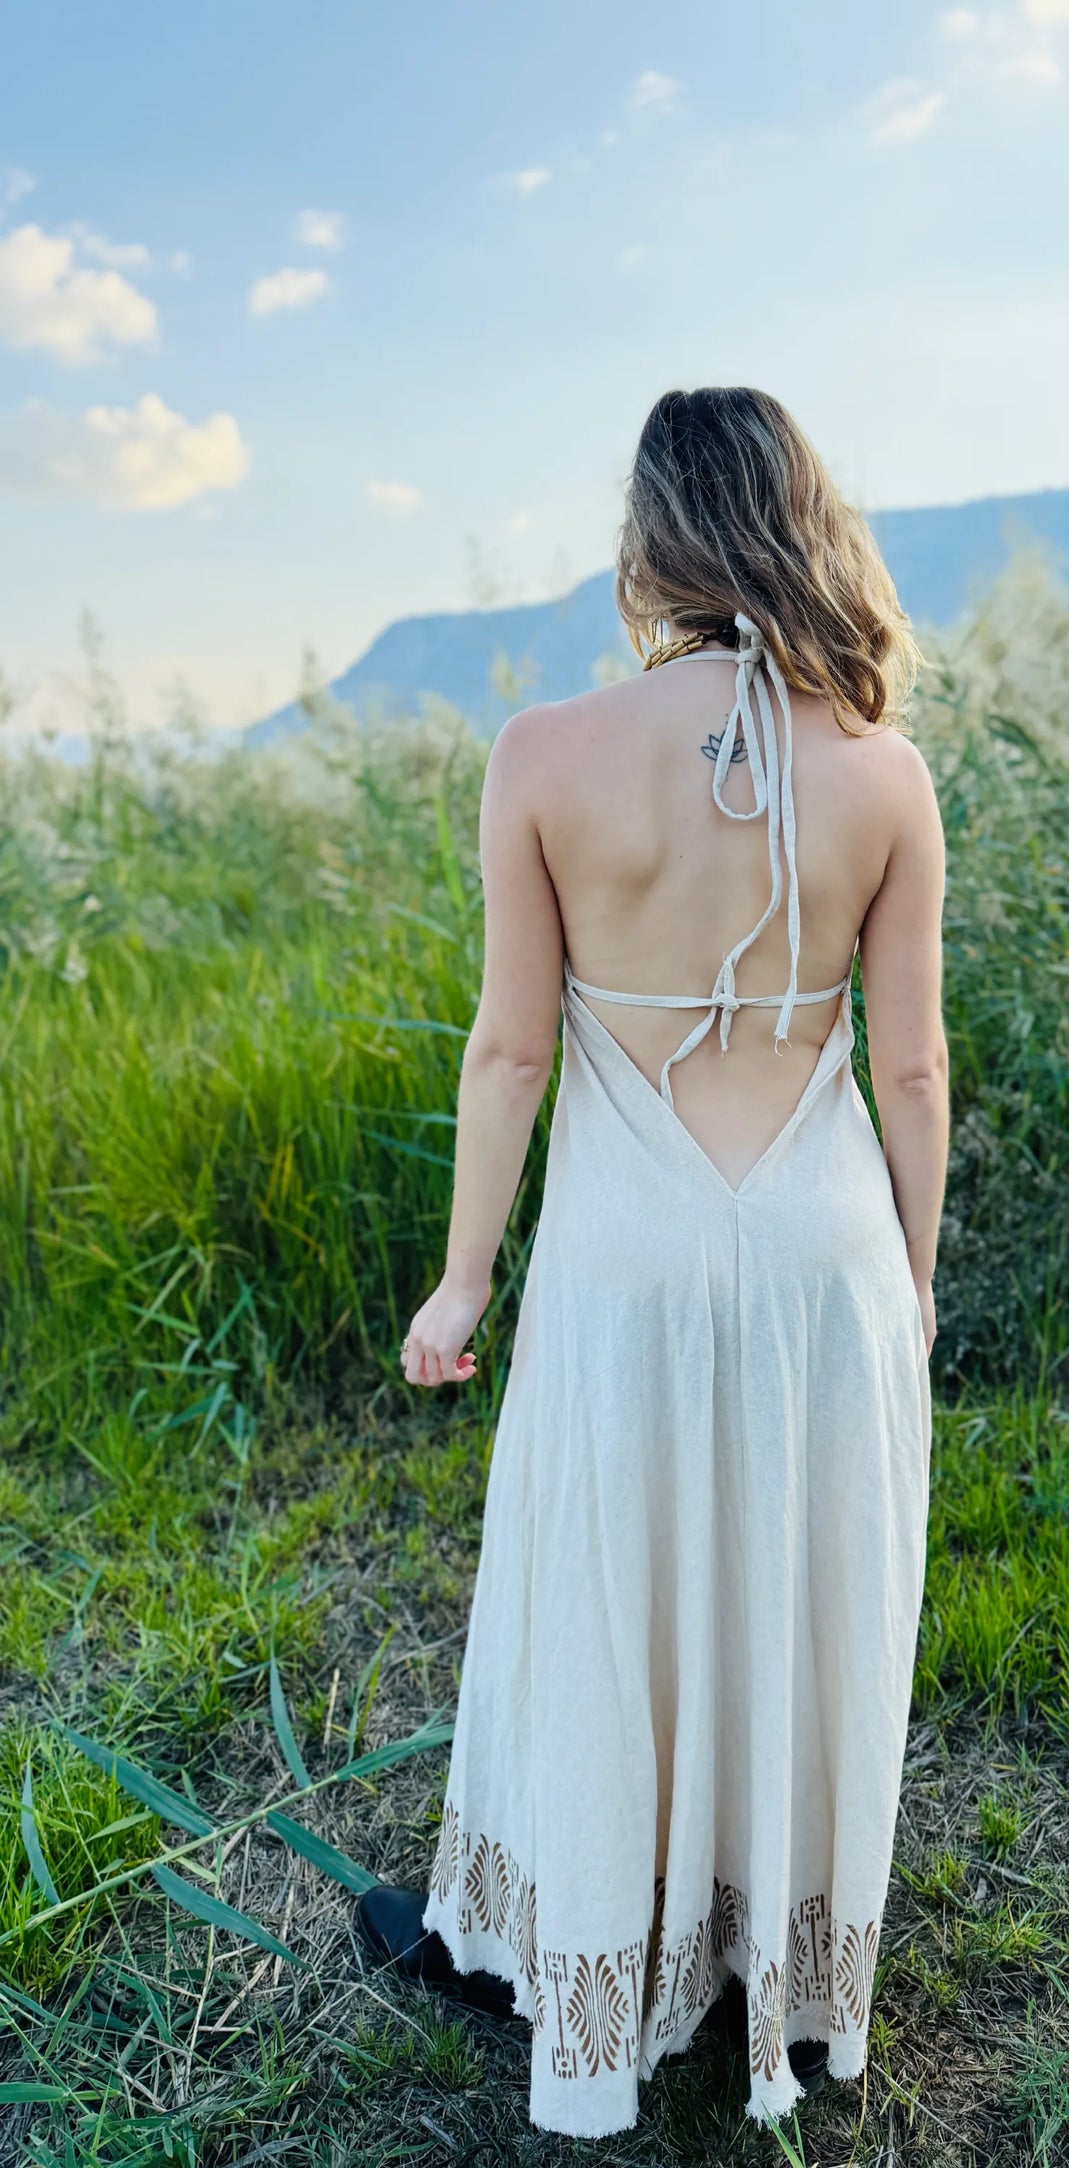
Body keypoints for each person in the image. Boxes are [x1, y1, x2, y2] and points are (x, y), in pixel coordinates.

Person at [357, 385, 948, 2139]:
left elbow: (507, 1053)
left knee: (602, 1605)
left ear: (649, 540)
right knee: (800, 1594)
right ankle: (780, 1977)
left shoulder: (544, 753)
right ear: (804, 521)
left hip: (626, 1257)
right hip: (824, 1253)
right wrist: (911, 1280)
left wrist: (464, 1279)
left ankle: (573, 1953)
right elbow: (912, 1070)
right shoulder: (884, 770)